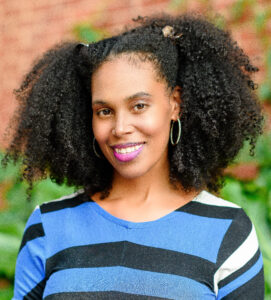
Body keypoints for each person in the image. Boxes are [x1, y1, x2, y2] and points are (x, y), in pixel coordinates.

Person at [3, 12, 265, 299]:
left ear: (175, 104)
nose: (120, 128)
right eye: (104, 111)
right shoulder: (49, 225)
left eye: (139, 106)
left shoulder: (228, 232)